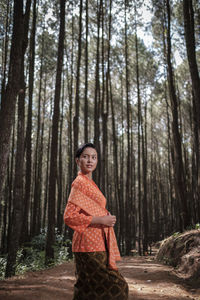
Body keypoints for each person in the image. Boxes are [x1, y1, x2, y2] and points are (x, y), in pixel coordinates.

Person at [64, 143, 129, 300]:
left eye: (93, 157)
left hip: (98, 242)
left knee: (86, 288)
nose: (89, 161)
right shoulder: (79, 182)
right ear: (77, 160)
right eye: (85, 157)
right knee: (118, 287)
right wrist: (101, 219)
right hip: (88, 243)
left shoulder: (89, 183)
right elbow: (69, 216)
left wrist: (105, 217)